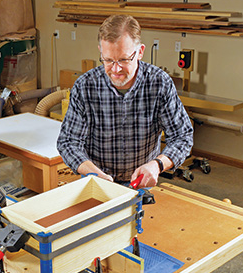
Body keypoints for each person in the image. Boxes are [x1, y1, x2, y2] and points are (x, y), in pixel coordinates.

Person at [57, 14, 194, 188]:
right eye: (108, 60)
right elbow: (68, 142)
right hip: (96, 181)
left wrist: (157, 165)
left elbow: (182, 136)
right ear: (100, 50)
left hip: (142, 183)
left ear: (140, 52)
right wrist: (92, 172)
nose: (115, 69)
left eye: (123, 60)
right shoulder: (85, 86)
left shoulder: (159, 83)